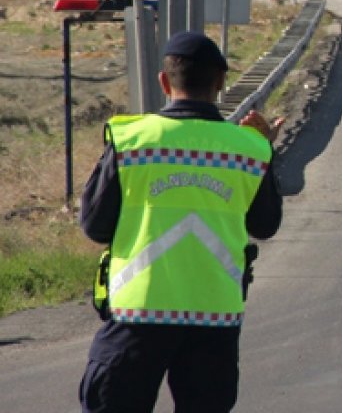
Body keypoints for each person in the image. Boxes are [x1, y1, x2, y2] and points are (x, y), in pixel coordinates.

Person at [78, 31, 284, 413]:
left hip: (138, 312)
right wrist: (265, 148)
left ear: (164, 81)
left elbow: (94, 226)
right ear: (221, 83)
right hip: (214, 315)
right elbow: (265, 225)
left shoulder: (132, 140)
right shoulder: (250, 148)